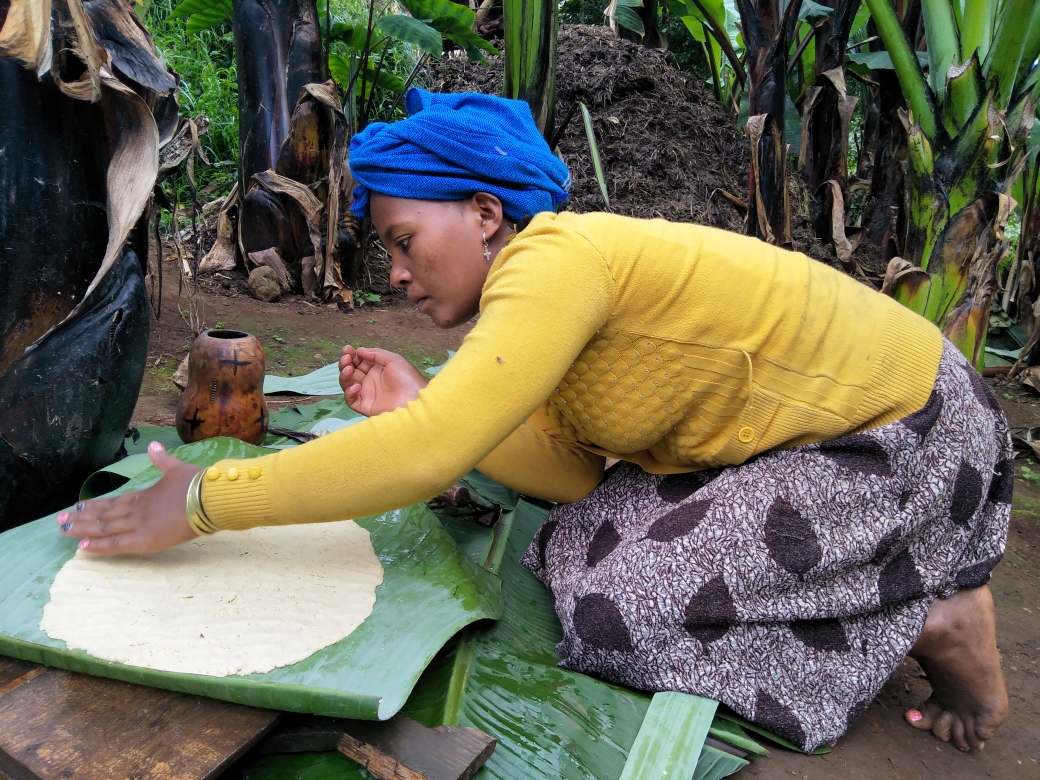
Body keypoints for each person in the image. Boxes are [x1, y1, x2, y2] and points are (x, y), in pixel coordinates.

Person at [59, 89, 1010, 753]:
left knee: (617, 607)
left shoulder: (553, 260)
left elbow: (423, 459)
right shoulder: (541, 304)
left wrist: (204, 502)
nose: (392, 272)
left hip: (905, 433)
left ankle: (932, 611)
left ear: (483, 212)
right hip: (803, 440)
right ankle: (892, 590)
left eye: (402, 241)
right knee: (579, 536)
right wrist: (433, 407)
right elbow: (573, 478)